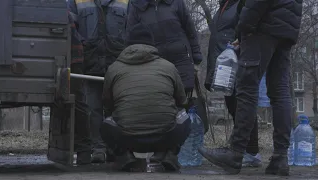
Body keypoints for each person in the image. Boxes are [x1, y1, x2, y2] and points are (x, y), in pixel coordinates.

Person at [199, 0, 303, 176]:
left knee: (246, 88)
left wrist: (244, 27)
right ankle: (280, 156)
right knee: (280, 91)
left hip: (261, 25)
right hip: (286, 28)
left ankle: (236, 152)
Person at [101, 23, 191, 171]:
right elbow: (182, 101)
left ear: (128, 45)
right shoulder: (168, 66)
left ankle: (125, 156)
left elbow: (106, 103)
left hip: (127, 138)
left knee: (105, 123)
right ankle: (169, 154)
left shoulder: (114, 68)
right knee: (186, 117)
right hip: (165, 136)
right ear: (152, 44)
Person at [67, 0, 129, 163]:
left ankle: (114, 148)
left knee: (116, 108)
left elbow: (132, 29)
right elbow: (70, 29)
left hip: (119, 64)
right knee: (92, 108)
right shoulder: (76, 1)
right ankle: (98, 149)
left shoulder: (127, 1)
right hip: (90, 63)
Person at [204, 0, 261, 167]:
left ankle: (251, 152)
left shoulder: (239, 4)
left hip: (236, 61)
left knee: (241, 104)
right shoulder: (224, 6)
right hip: (223, 65)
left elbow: (246, 28)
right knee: (233, 105)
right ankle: (246, 150)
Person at [126, 0, 203, 95]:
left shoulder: (176, 2)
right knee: (164, 98)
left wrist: (196, 57)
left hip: (182, 61)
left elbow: (190, 30)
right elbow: (131, 38)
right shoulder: (136, 6)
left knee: (186, 98)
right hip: (155, 65)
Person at [68, 11, 92, 165]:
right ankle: (84, 150)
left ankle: (84, 150)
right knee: (78, 102)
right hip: (74, 52)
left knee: (77, 102)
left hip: (73, 52)